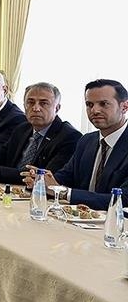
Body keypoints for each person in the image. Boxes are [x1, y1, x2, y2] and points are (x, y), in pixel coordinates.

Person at [25, 79, 128, 210]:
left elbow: (123, 199)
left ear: (124, 107)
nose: (95, 110)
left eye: (103, 104)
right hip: (80, 217)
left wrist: (64, 193)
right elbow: (65, 177)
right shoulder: (87, 140)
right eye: (89, 104)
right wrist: (40, 179)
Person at [0, 82, 80, 184]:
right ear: (24, 106)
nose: (36, 108)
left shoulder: (69, 137)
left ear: (57, 108)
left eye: (43, 103)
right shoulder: (22, 129)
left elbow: (45, 177)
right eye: (30, 102)